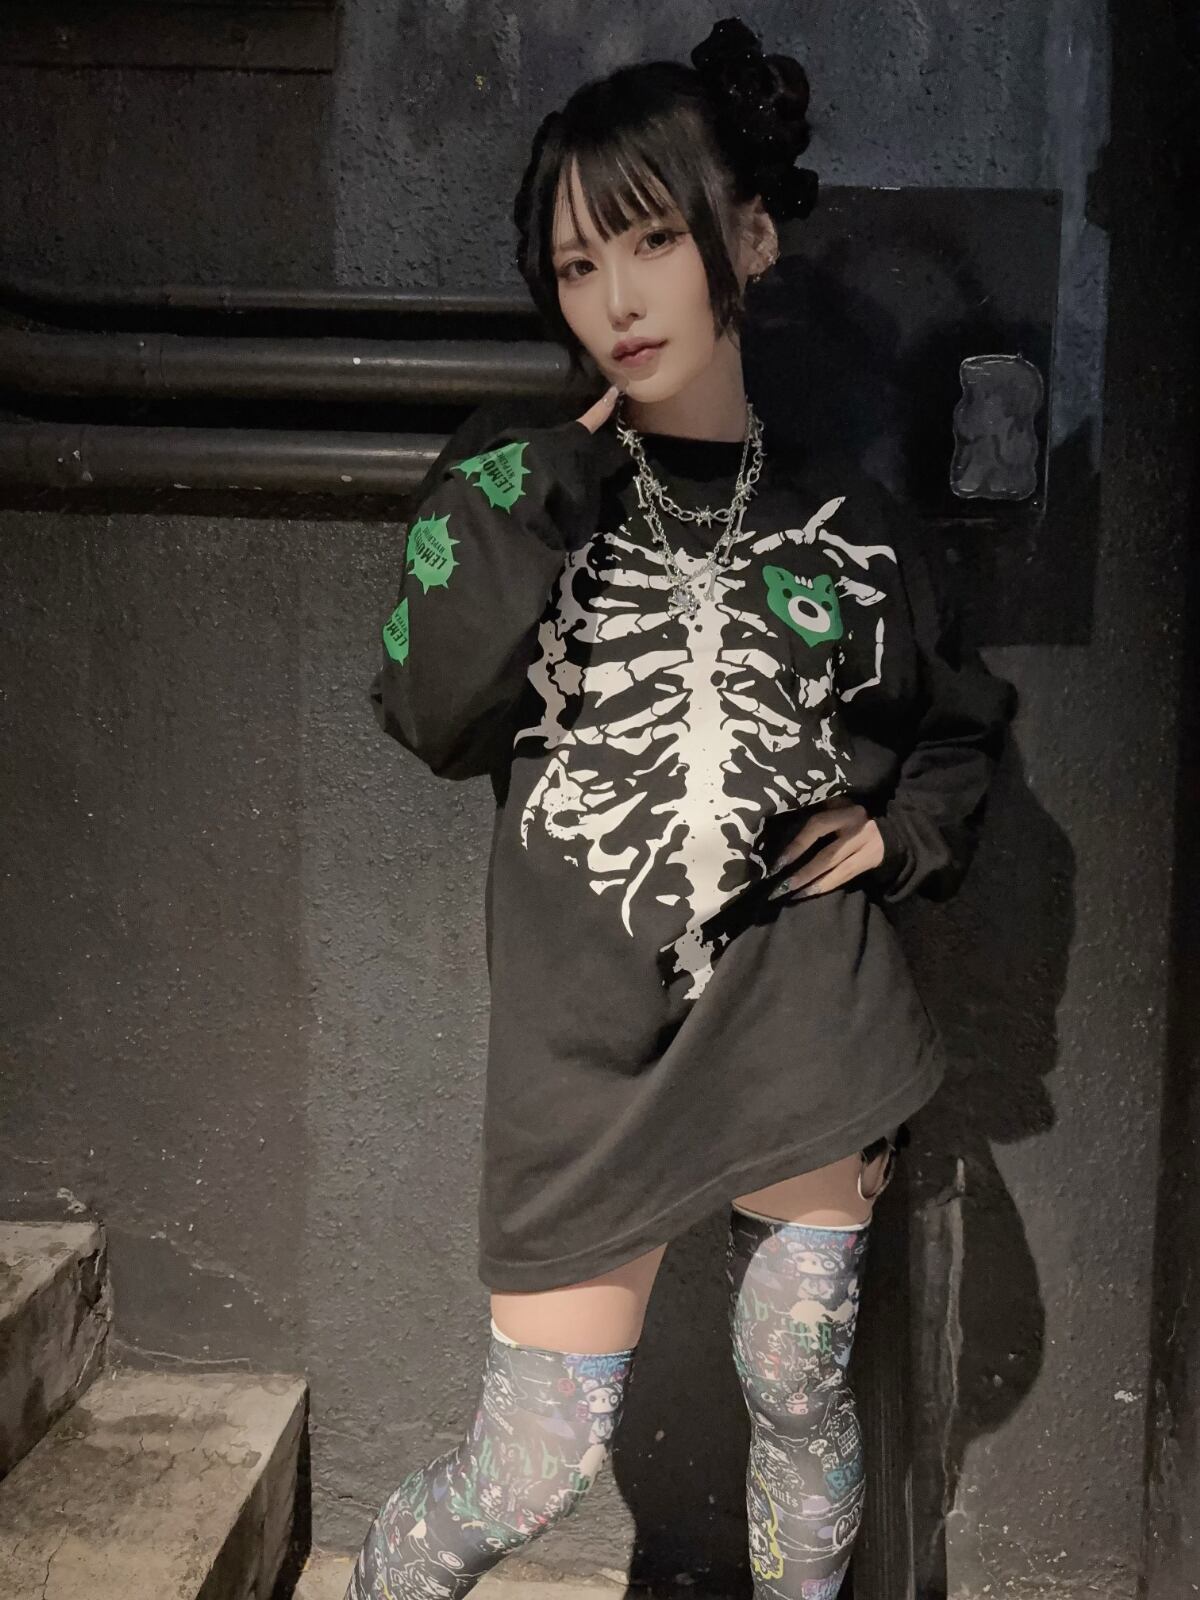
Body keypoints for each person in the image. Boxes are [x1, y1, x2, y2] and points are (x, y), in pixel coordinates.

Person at [346, 16, 1017, 1600]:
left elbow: (959, 727)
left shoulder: (853, 527)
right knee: (529, 1462)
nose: (619, 300)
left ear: (749, 240)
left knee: (796, 1382)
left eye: (652, 242)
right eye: (579, 266)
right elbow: (427, 706)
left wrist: (900, 833)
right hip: (588, 1056)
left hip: (803, 1025)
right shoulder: (506, 483)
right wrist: (545, 495)